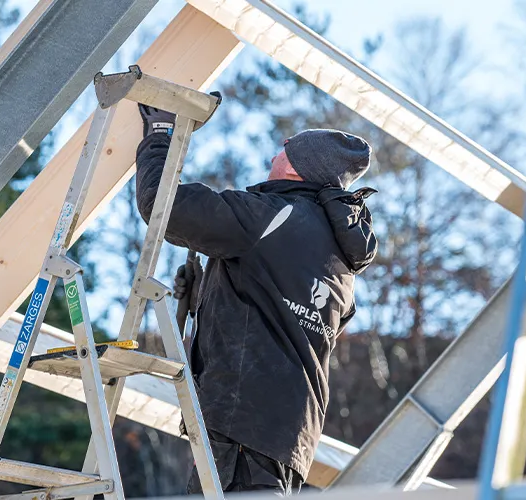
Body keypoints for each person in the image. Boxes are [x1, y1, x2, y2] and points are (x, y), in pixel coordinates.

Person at [136, 103, 378, 495]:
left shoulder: (273, 215)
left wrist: (160, 135)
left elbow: (163, 207)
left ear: (299, 167)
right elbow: (282, 312)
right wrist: (209, 294)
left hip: (242, 422)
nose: (274, 153)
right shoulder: (341, 258)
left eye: (286, 148)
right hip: (288, 436)